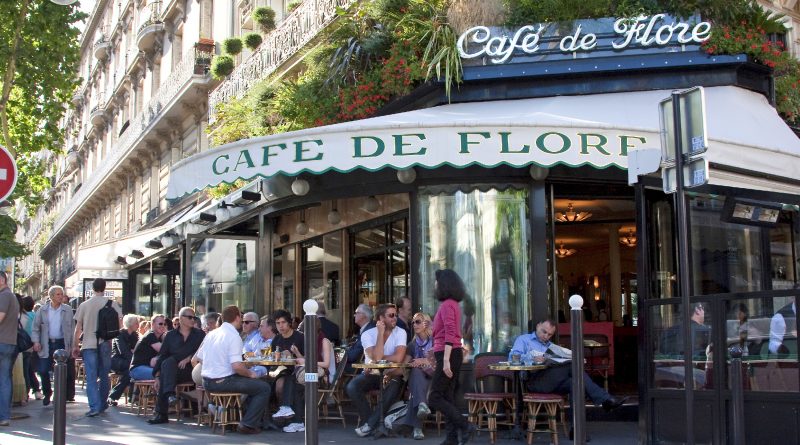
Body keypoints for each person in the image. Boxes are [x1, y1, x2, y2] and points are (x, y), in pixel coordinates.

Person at [509, 319, 624, 412]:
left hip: (552, 381)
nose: (546, 336)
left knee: (575, 383)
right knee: (572, 366)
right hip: (534, 381)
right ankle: (605, 400)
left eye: (549, 335)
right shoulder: (524, 339)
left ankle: (575, 427)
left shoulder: (551, 346)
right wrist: (531, 357)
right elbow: (512, 358)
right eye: (544, 332)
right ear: (538, 326)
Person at [193, 305, 272, 435]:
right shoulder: (233, 336)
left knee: (251, 383)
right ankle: (248, 424)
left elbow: (199, 358)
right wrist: (250, 374)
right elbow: (237, 367)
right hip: (223, 381)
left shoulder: (212, 334)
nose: (242, 320)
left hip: (206, 382)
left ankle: (228, 415)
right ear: (237, 317)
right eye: (241, 317)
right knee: (263, 388)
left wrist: (216, 366)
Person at [427, 269, 475, 445]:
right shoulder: (452, 304)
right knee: (447, 397)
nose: (435, 285)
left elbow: (450, 332)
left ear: (443, 284)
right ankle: (451, 438)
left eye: (437, 281)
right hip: (451, 353)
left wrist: (445, 360)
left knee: (434, 397)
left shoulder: (447, 304)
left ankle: (465, 425)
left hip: (449, 354)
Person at [348, 303, 407, 437]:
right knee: (352, 387)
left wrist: (378, 358)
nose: (395, 318)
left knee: (394, 384)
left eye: (396, 315)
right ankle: (371, 421)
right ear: (381, 318)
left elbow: (398, 358)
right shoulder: (368, 334)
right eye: (391, 315)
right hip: (373, 373)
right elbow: (377, 357)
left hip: (391, 373)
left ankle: (369, 425)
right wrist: (380, 334)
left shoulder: (400, 332)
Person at [72, 278, 122, 417]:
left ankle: (94, 406)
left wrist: (75, 345)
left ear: (92, 288)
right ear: (104, 288)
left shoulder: (84, 305)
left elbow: (78, 328)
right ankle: (102, 403)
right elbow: (120, 324)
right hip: (105, 343)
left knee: (91, 377)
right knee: (104, 375)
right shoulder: (112, 304)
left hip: (88, 344)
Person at [148, 307, 204, 424]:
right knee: (167, 363)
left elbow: (203, 351)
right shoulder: (170, 335)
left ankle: (162, 413)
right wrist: (157, 376)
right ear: (181, 318)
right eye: (190, 317)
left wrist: (188, 358)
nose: (193, 320)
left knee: (166, 371)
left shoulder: (199, 334)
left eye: (194, 318)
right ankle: (170, 395)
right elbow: (162, 355)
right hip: (174, 370)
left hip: (192, 370)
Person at [32, 285, 76, 406]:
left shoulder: (67, 310)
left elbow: (72, 328)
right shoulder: (42, 310)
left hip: (61, 343)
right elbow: (35, 327)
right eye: (58, 294)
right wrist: (36, 341)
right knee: (43, 369)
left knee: (61, 371)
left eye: (62, 294)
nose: (61, 296)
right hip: (46, 343)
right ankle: (47, 392)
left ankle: (59, 395)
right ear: (51, 296)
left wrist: (73, 345)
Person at [399, 312, 434, 440]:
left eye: (418, 322)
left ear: (426, 323)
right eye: (413, 322)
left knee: (416, 392)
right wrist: (414, 363)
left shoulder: (436, 342)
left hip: (434, 378)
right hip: (419, 379)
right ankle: (422, 406)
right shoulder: (412, 345)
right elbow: (404, 365)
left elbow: (440, 361)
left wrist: (424, 361)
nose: (414, 325)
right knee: (415, 371)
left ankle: (417, 427)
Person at [269, 309, 305, 430]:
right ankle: (284, 414)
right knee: (279, 386)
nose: (281, 326)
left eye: (283, 322)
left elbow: (308, 359)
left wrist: (294, 354)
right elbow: (273, 360)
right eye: (278, 323)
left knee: (289, 381)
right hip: (284, 370)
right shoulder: (276, 339)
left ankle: (287, 411)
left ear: (289, 322)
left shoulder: (300, 337)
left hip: (300, 372)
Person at [0, 271, 20, 426]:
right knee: (5, 379)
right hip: (9, 342)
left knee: (4, 380)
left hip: (2, 342)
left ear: (1, 280)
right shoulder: (11, 296)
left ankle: (4, 415)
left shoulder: (4, 296)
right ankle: (4, 415)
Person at [107, 314, 140, 406]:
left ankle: (114, 396)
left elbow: (137, 350)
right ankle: (132, 396)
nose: (138, 325)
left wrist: (132, 354)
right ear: (130, 324)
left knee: (131, 372)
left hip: (128, 362)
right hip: (117, 361)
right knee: (133, 369)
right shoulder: (119, 334)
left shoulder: (135, 335)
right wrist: (133, 358)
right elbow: (123, 351)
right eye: (136, 323)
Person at [129, 314, 167, 382]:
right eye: (160, 324)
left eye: (164, 324)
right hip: (137, 369)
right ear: (152, 324)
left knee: (168, 373)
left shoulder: (159, 337)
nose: (163, 326)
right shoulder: (150, 335)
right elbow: (164, 351)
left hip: (148, 367)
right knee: (165, 374)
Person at [19, 295, 42, 402]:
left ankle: (27, 392)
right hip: (33, 345)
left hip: (23, 346)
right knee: (29, 369)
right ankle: (36, 390)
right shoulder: (35, 315)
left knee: (26, 370)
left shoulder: (22, 316)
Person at [344, 304, 374, 374]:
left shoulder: (368, 331)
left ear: (364, 316)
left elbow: (352, 356)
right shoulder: (367, 328)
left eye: (356, 313)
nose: (354, 315)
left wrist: (340, 356)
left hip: (361, 369)